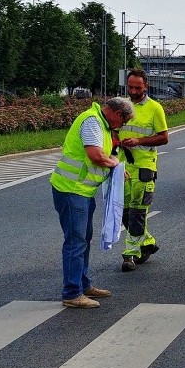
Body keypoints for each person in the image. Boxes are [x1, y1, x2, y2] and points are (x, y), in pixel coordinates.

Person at [50, 97, 135, 309]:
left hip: (84, 191)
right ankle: (72, 292)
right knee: (75, 241)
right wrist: (115, 164)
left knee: (83, 239)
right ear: (117, 113)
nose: (122, 126)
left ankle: (83, 284)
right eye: (123, 121)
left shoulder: (101, 123)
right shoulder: (92, 121)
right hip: (71, 190)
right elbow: (96, 155)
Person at [117, 69, 169, 272]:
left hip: (144, 166)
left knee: (138, 212)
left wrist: (138, 141)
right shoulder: (122, 106)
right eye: (130, 87)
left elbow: (164, 137)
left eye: (137, 87)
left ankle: (131, 253)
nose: (133, 91)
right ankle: (147, 241)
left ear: (146, 86)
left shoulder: (155, 108)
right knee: (123, 211)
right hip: (122, 166)